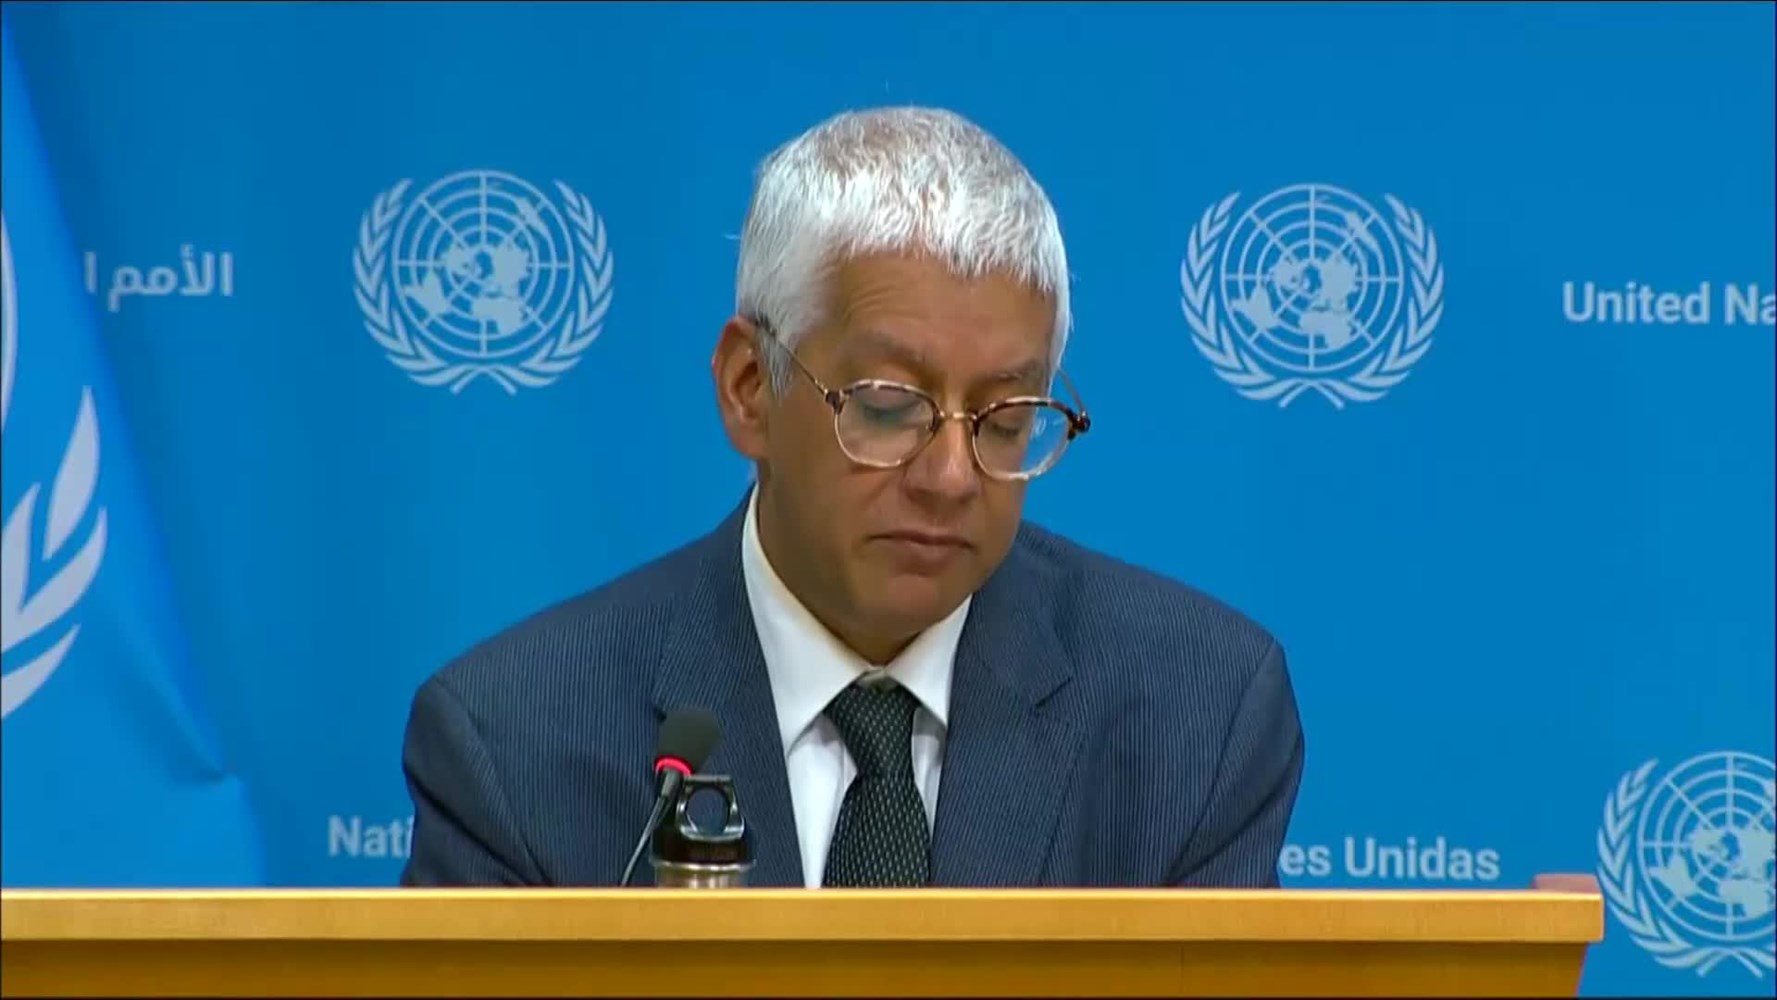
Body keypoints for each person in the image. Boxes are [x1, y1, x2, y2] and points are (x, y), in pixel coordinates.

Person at [399, 106, 1305, 889]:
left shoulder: (1194, 717)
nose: (950, 478)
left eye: (1003, 419)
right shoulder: (515, 742)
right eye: (886, 407)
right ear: (749, 388)